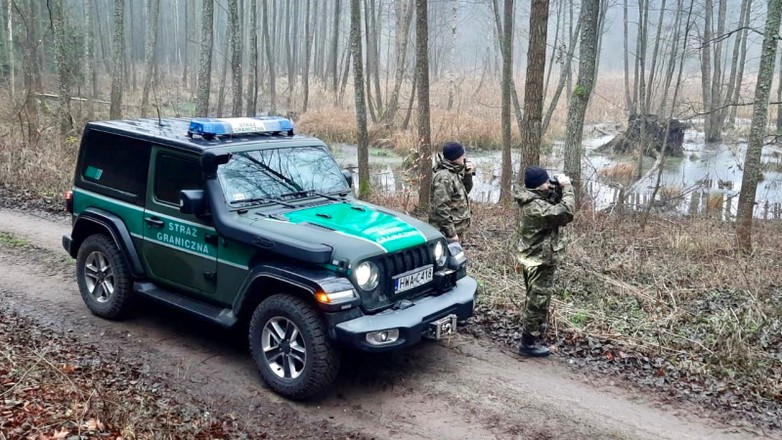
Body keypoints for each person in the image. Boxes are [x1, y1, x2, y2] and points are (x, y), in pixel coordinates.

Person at [514, 166, 575, 357]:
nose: (549, 184)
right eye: (546, 182)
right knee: (537, 301)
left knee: (537, 299)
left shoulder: (535, 199)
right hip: (538, 259)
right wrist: (567, 188)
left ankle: (535, 334)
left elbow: (552, 204)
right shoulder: (534, 206)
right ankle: (528, 343)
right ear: (538, 185)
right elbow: (565, 212)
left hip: (537, 256)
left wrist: (555, 189)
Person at [429, 141, 474, 244]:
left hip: (457, 228)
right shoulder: (444, 177)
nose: (464, 157)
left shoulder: (454, 171)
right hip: (445, 232)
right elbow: (441, 207)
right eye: (462, 155)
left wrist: (468, 175)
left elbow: (464, 193)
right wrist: (451, 233)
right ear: (455, 157)